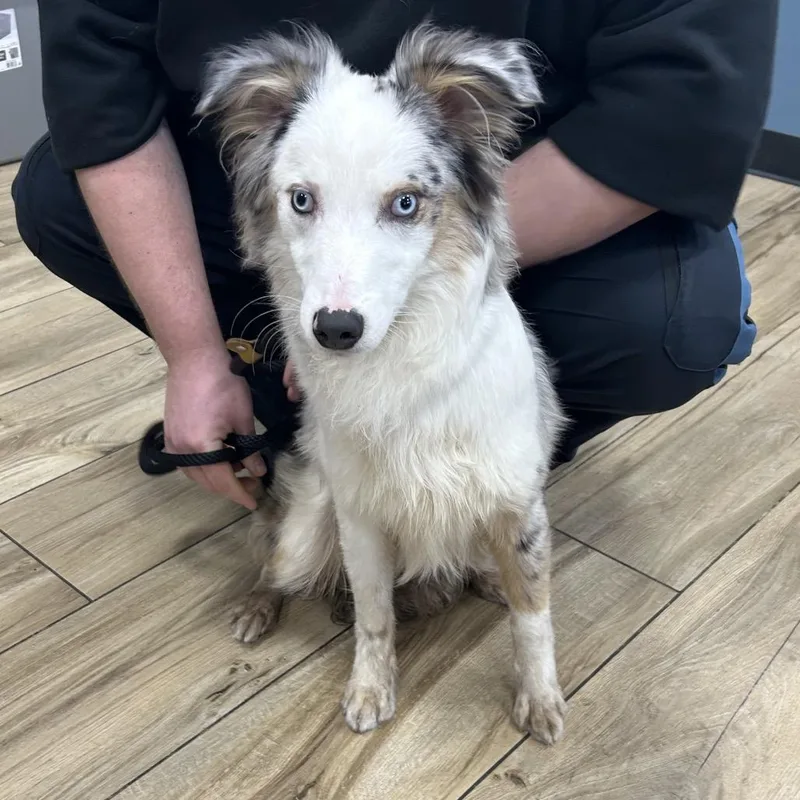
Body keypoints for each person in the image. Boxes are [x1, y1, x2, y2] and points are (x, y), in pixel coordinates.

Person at [13, 1, 777, 510]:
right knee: (57, 198)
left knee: (665, 325)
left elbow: (683, 102)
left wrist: (421, 293)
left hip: (523, 175)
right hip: (274, 168)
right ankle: (289, 414)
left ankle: (484, 454)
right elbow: (100, 88)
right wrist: (194, 356)